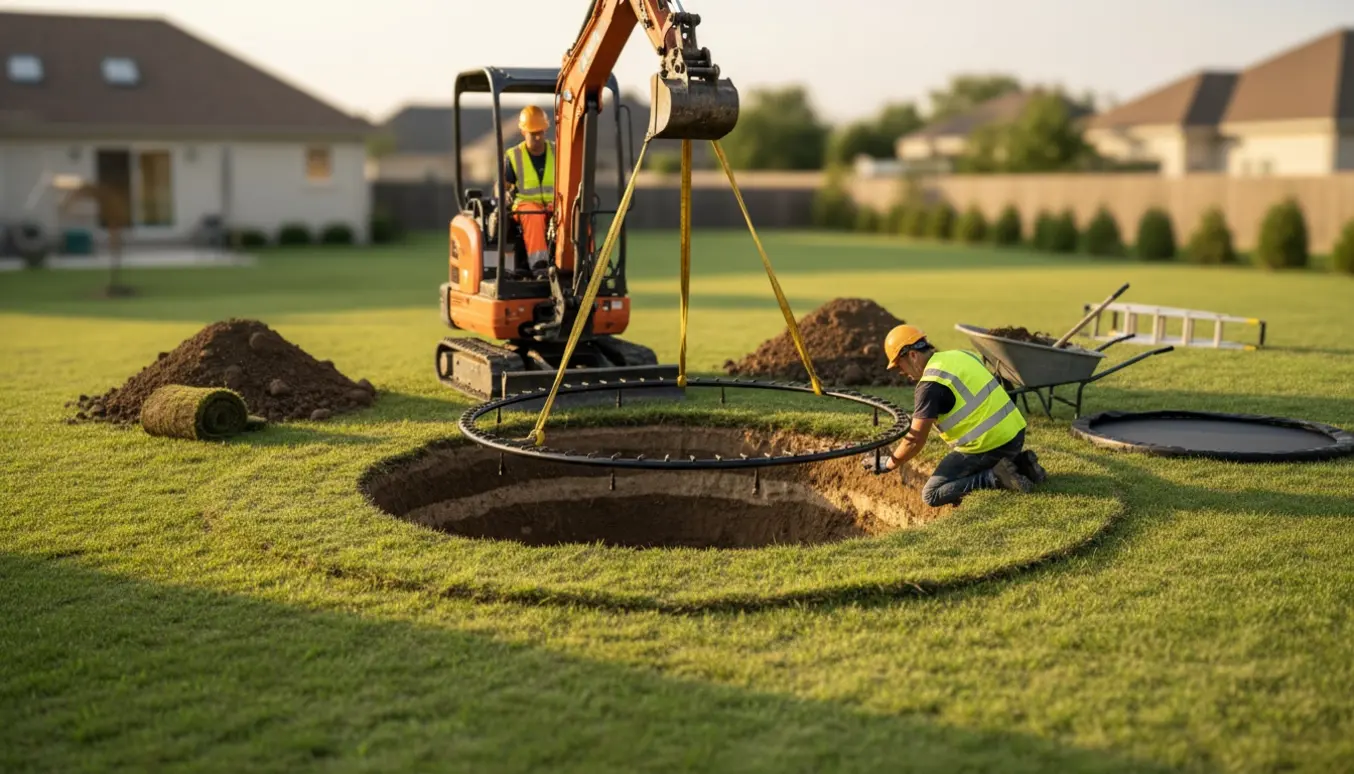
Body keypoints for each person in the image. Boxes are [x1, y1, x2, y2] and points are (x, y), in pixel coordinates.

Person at [865, 324, 1046, 506]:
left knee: (931, 494)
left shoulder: (930, 385)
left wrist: (889, 463)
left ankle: (994, 477)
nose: (901, 372)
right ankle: (1021, 465)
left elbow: (914, 441)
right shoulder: (961, 355)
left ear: (912, 355)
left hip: (990, 446)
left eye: (899, 364)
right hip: (1015, 436)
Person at [502, 105, 555, 277]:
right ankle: (539, 265)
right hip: (526, 206)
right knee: (533, 214)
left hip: (554, 206)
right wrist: (501, 198)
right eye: (533, 133)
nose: (538, 137)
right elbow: (502, 185)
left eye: (540, 132)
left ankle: (581, 262)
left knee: (574, 214)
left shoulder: (558, 152)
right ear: (523, 132)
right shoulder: (513, 155)